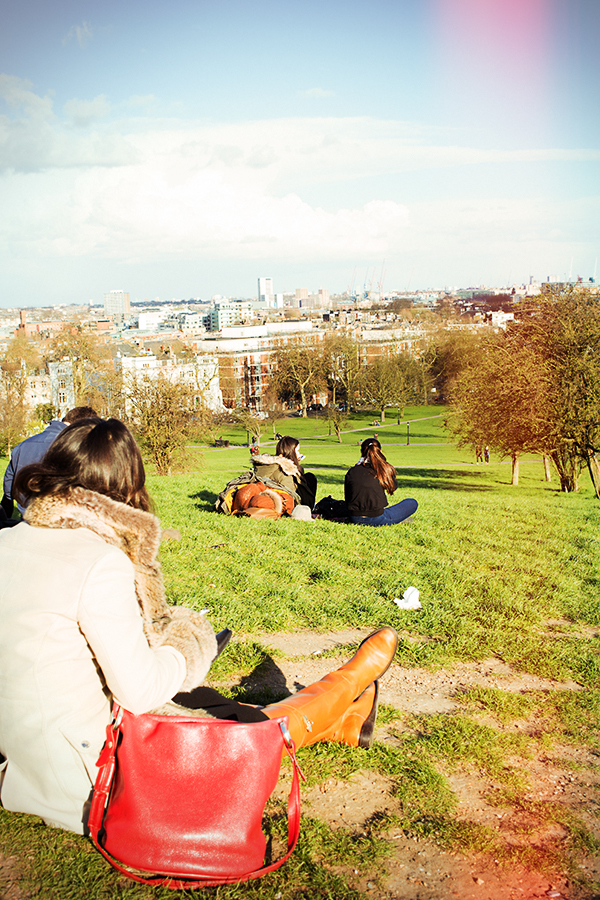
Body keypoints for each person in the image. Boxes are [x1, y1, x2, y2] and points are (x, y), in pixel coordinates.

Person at [0, 416, 398, 835]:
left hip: (23, 758)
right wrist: (188, 646)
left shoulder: (7, 541)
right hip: (85, 778)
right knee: (244, 735)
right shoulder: (99, 561)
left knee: (213, 704)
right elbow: (139, 691)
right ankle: (342, 688)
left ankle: (347, 722)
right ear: (127, 488)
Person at [1, 406, 97, 518]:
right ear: (84, 426)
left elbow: (8, 489)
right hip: (65, 521)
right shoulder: (77, 447)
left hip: (27, 519)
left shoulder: (22, 446)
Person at [345, 438, 418, 526]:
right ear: (380, 451)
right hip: (377, 518)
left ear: (361, 453)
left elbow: (348, 498)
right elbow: (393, 487)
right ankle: (398, 519)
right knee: (412, 503)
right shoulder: (384, 469)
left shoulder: (352, 471)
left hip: (354, 517)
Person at [252, 435, 317, 510]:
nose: (299, 454)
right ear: (290, 452)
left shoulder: (266, 466)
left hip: (264, 499)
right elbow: (292, 496)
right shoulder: (285, 472)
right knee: (310, 477)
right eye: (298, 451)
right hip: (286, 505)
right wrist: (297, 469)